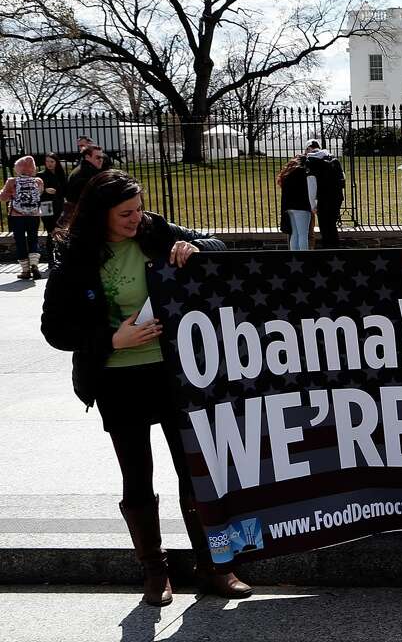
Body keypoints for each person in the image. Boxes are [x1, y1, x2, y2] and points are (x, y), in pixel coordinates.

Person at [40, 170, 251, 605]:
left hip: (174, 373)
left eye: (138, 209)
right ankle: (156, 572)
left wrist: (195, 246)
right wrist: (111, 340)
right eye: (126, 214)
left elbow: (219, 246)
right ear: (101, 215)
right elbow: (55, 329)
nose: (137, 219)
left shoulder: (153, 229)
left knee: (196, 471)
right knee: (137, 476)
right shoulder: (74, 254)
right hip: (118, 379)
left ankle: (215, 566)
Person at [1, 155, 46, 279]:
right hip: (34, 215)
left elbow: (3, 197)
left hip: (17, 216)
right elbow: (40, 193)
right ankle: (35, 265)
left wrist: (9, 194)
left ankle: (25, 271)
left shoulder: (12, 181)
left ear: (18, 168)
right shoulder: (38, 181)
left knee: (20, 241)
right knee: (33, 239)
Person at [304, 140, 345, 248]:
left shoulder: (311, 161)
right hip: (337, 198)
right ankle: (336, 250)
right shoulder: (332, 158)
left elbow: (311, 185)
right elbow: (342, 178)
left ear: (309, 148)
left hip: (322, 199)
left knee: (324, 227)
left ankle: (328, 252)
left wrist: (312, 204)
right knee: (332, 225)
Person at [277, 154, 317, 250]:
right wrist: (313, 205)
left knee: (294, 234)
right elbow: (310, 190)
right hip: (302, 206)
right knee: (303, 234)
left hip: (289, 207)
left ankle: (294, 257)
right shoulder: (305, 172)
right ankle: (304, 258)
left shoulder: (288, 174)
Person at [38, 153, 68, 264]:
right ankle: (50, 258)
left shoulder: (60, 174)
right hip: (46, 205)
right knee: (51, 231)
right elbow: (37, 191)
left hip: (59, 205)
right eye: (47, 161)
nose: (49, 164)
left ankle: (60, 256)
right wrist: (45, 190)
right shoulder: (41, 175)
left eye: (52, 161)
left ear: (56, 162)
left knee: (60, 230)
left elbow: (65, 190)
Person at [64, 144, 106, 209]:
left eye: (102, 157)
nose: (101, 160)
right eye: (98, 157)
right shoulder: (88, 173)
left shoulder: (81, 169)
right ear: (87, 157)